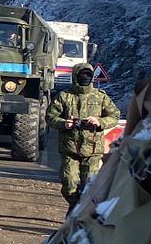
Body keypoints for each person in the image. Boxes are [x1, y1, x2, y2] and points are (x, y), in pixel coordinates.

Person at [45, 62, 120, 208]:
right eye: (82, 76)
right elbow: (50, 116)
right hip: (70, 149)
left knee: (90, 186)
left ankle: (80, 211)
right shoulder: (64, 96)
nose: (85, 78)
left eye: (88, 76)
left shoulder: (101, 97)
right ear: (75, 77)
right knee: (69, 184)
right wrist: (64, 123)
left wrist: (99, 122)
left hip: (92, 150)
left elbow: (114, 116)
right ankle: (75, 206)